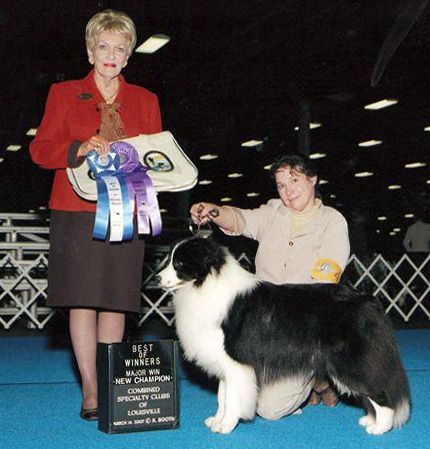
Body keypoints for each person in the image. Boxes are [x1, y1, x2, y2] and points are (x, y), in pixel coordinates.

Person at [30, 9, 162, 421]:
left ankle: (109, 381)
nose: (111, 54)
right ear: (90, 51)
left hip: (129, 210)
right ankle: (91, 389)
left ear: (128, 57)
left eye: (120, 48)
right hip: (76, 210)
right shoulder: (63, 93)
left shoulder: (146, 100)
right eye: (103, 46)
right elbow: (40, 150)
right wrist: (78, 149)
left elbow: (155, 158)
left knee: (115, 301)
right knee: (83, 302)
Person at [190, 153, 350, 420]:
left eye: (294, 181)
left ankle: (318, 374)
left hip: (303, 325)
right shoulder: (271, 213)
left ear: (313, 179)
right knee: (246, 390)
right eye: (281, 186)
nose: (288, 191)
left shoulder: (332, 222)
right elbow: (239, 219)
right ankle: (314, 379)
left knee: (269, 410)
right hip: (261, 322)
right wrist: (214, 211)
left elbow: (325, 280)